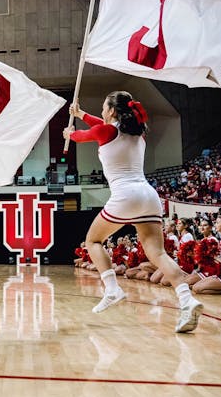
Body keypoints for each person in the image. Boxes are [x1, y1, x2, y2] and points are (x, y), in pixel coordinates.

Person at [64, 92, 204, 333]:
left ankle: (112, 288)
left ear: (111, 111)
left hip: (125, 195)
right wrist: (80, 114)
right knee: (157, 253)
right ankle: (187, 299)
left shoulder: (106, 132)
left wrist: (70, 133)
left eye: (103, 107)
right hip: (149, 195)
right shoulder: (137, 133)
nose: (102, 112)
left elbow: (83, 135)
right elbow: (102, 126)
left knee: (93, 240)